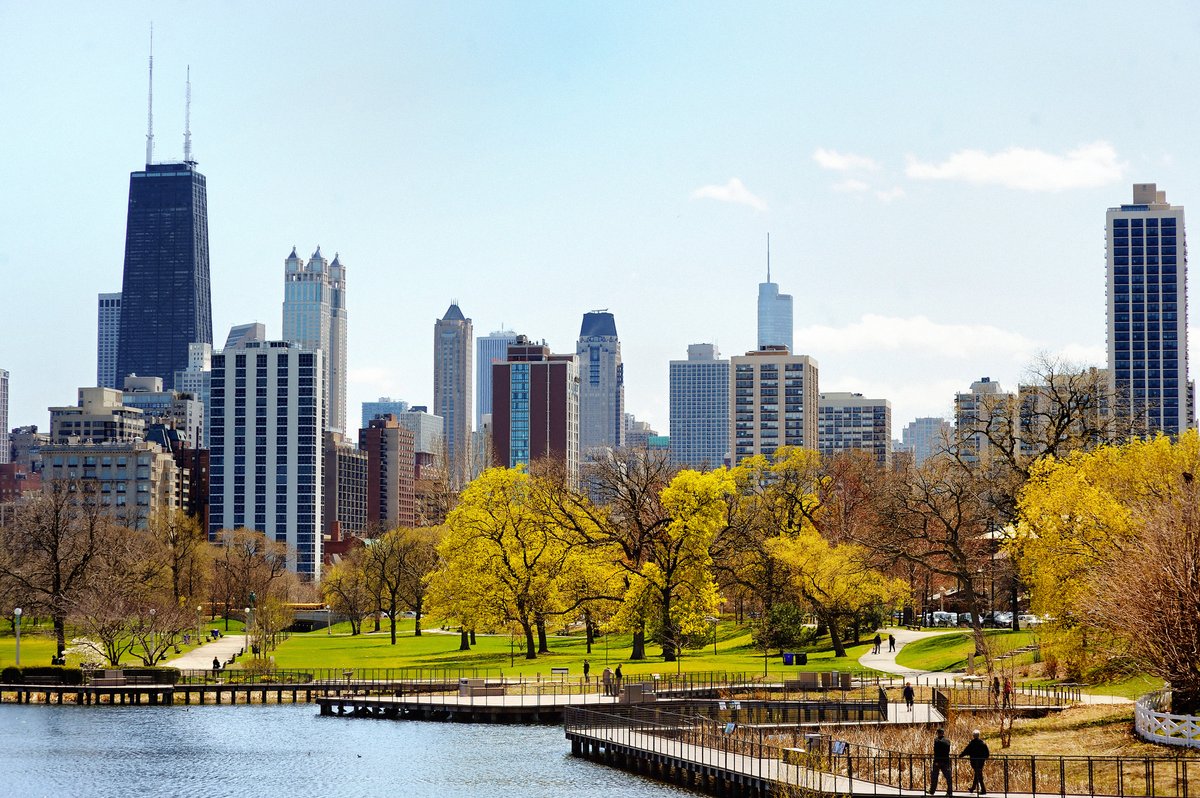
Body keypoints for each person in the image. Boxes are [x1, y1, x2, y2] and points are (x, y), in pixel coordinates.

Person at [960, 729, 990, 794]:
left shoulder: (972, 743)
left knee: (979, 775)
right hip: (981, 762)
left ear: (973, 736)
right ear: (979, 735)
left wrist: (961, 755)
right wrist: (984, 758)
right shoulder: (983, 743)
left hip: (974, 761)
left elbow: (966, 751)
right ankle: (973, 788)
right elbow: (987, 753)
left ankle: (983, 790)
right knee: (978, 773)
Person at [929, 728, 952, 796]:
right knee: (948, 777)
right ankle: (949, 791)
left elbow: (936, 751)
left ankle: (932, 791)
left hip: (937, 761)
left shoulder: (936, 740)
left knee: (935, 776)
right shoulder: (947, 741)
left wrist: (936, 760)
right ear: (943, 733)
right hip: (945, 761)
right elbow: (948, 750)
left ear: (938, 733)